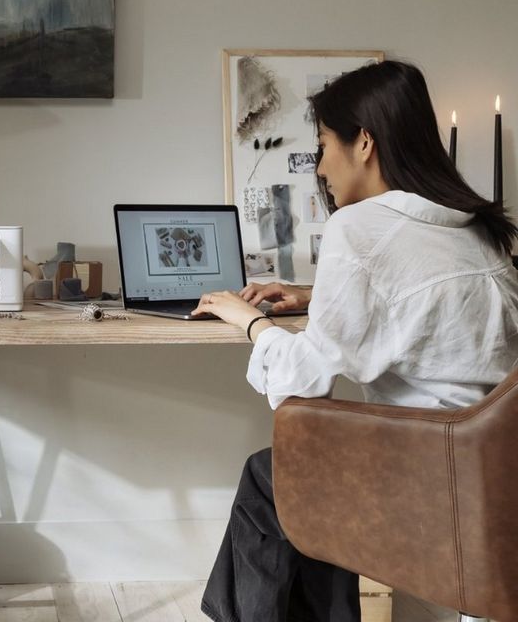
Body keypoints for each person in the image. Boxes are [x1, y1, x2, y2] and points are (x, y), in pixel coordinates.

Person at [194, 60, 518, 622]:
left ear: (362, 142)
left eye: (322, 144)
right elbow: (432, 315)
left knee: (284, 472)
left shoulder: (359, 226)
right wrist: (316, 296)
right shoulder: (476, 228)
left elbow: (303, 381)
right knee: (307, 467)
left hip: (430, 476)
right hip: (494, 473)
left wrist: (248, 322)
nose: (321, 165)